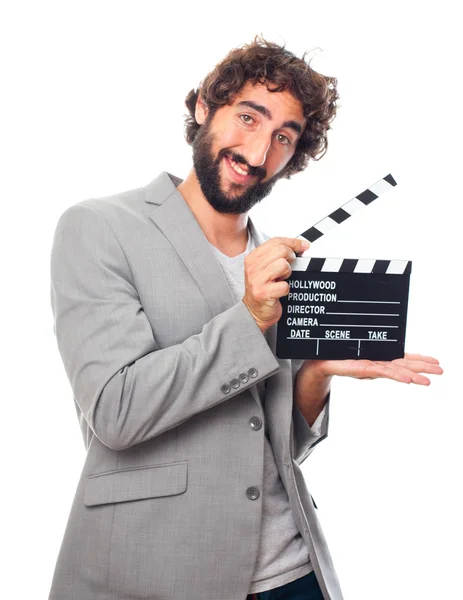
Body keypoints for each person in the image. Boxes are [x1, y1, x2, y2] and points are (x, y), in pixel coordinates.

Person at [48, 35, 443, 600]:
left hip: (293, 568)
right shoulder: (99, 228)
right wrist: (249, 315)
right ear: (206, 106)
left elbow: (271, 446)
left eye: (284, 136)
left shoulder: (273, 260)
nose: (259, 153)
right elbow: (116, 411)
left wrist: (315, 376)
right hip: (161, 570)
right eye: (249, 117)